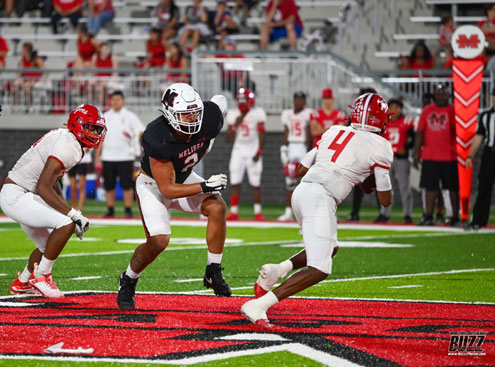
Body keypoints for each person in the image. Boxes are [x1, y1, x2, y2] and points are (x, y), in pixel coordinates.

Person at [240, 93, 393, 328]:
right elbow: (384, 200)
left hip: (302, 192)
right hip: (321, 197)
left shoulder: (335, 131)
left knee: (330, 249)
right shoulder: (380, 145)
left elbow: (301, 169)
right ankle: (259, 305)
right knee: (320, 268)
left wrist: (350, 169)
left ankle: (277, 270)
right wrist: (368, 176)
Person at [116, 84, 231, 310]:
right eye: (184, 114)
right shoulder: (156, 137)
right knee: (159, 240)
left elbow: (220, 101)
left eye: (195, 112)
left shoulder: (210, 118)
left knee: (217, 207)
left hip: (184, 175)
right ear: (169, 114)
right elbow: (167, 189)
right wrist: (205, 185)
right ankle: (128, 279)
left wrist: (215, 106)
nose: (191, 119)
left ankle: (212, 271)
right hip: (153, 186)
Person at [0, 105, 106, 298]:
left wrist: (67, 208)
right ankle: (41, 276)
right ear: (78, 125)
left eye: (98, 129)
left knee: (48, 244)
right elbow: (43, 186)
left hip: (23, 193)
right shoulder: (69, 146)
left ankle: (22, 282)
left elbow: (52, 179)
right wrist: (72, 214)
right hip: (17, 194)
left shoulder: (67, 139)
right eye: (92, 128)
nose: (96, 133)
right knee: (66, 224)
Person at [413, 84, 459, 226]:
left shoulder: (453, 110)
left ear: (449, 96)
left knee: (452, 188)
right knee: (429, 188)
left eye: (443, 94)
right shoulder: (427, 110)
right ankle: (428, 216)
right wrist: (416, 153)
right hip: (429, 156)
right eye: (438, 94)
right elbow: (420, 132)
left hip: (450, 156)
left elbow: (459, 132)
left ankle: (454, 216)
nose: (441, 96)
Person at [95, 91, 145, 218]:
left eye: (118, 99)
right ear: (110, 101)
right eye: (113, 99)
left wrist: (136, 141)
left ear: (123, 101)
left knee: (127, 185)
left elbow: (141, 131)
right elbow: (100, 138)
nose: (115, 102)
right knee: (109, 185)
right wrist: (97, 156)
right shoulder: (105, 116)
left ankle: (128, 210)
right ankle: (110, 209)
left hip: (125, 156)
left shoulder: (130, 116)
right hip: (108, 157)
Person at [225, 88, 266, 221]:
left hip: (252, 150)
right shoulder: (233, 114)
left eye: (244, 100)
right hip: (238, 150)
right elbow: (228, 138)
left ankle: (258, 212)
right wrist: (237, 122)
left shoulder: (257, 113)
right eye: (240, 100)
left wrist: (259, 151)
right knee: (235, 181)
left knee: (255, 183)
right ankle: (234, 211)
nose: (241, 103)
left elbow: (262, 133)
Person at [375, 98, 414, 223]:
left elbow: (414, 139)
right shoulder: (383, 122)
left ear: (401, 109)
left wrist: (406, 148)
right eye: (391, 107)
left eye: (397, 107)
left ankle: (407, 214)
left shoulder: (407, 122)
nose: (394, 110)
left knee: (404, 187)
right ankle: (384, 214)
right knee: (385, 186)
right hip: (385, 159)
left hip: (401, 158)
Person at [278, 91, 313, 221]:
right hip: (292, 146)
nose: (298, 102)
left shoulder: (308, 113)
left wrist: (310, 151)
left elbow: (309, 132)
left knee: (307, 180)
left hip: (303, 146)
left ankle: (307, 211)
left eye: (300, 100)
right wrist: (283, 149)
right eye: (296, 99)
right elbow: (287, 132)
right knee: (289, 181)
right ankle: (288, 212)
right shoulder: (287, 114)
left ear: (304, 101)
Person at [465, 88, 495, 230]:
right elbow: (479, 136)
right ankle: (478, 220)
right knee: (484, 187)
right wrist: (470, 155)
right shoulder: (485, 116)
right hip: (489, 153)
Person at [347, 87, 377, 221]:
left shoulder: (378, 113)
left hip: (374, 152)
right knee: (358, 186)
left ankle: (384, 213)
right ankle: (355, 212)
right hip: (358, 153)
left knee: (379, 183)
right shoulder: (356, 114)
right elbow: (348, 130)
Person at [13, 42, 45, 109]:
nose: (21, 51)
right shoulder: (23, 59)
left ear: (26, 50)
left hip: (35, 80)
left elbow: (45, 71)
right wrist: (22, 60)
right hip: (25, 79)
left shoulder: (37, 59)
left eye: (23, 49)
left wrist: (42, 80)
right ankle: (16, 105)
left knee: (26, 87)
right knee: (15, 86)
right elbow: (20, 73)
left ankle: (30, 106)